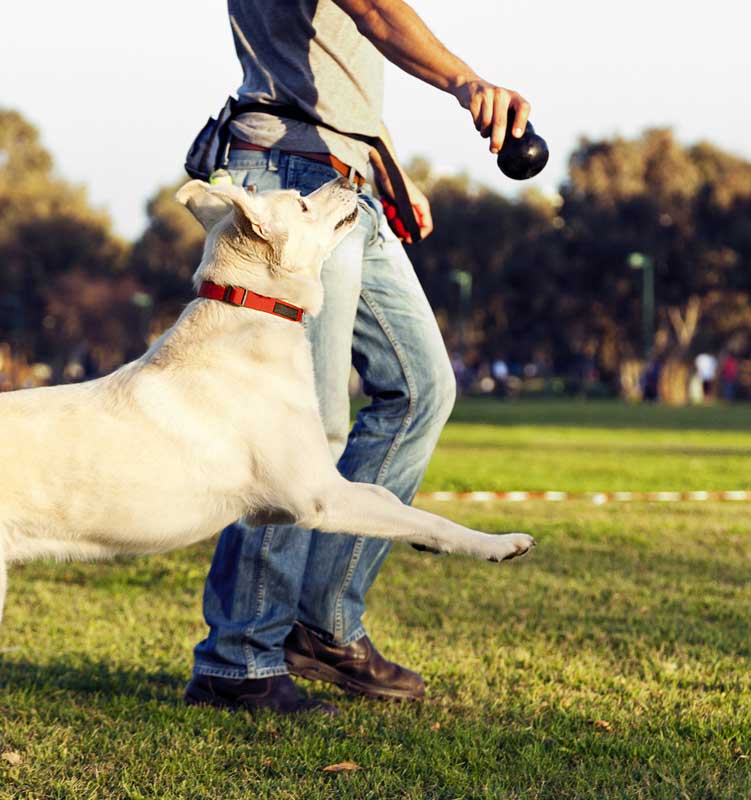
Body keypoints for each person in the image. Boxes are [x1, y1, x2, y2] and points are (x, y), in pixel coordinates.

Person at [183, 0, 535, 714]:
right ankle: (240, 659)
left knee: (421, 388)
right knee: (300, 432)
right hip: (291, 180)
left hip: (344, 176)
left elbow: (331, 63)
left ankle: (322, 625)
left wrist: (382, 163)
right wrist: (466, 83)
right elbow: (373, 9)